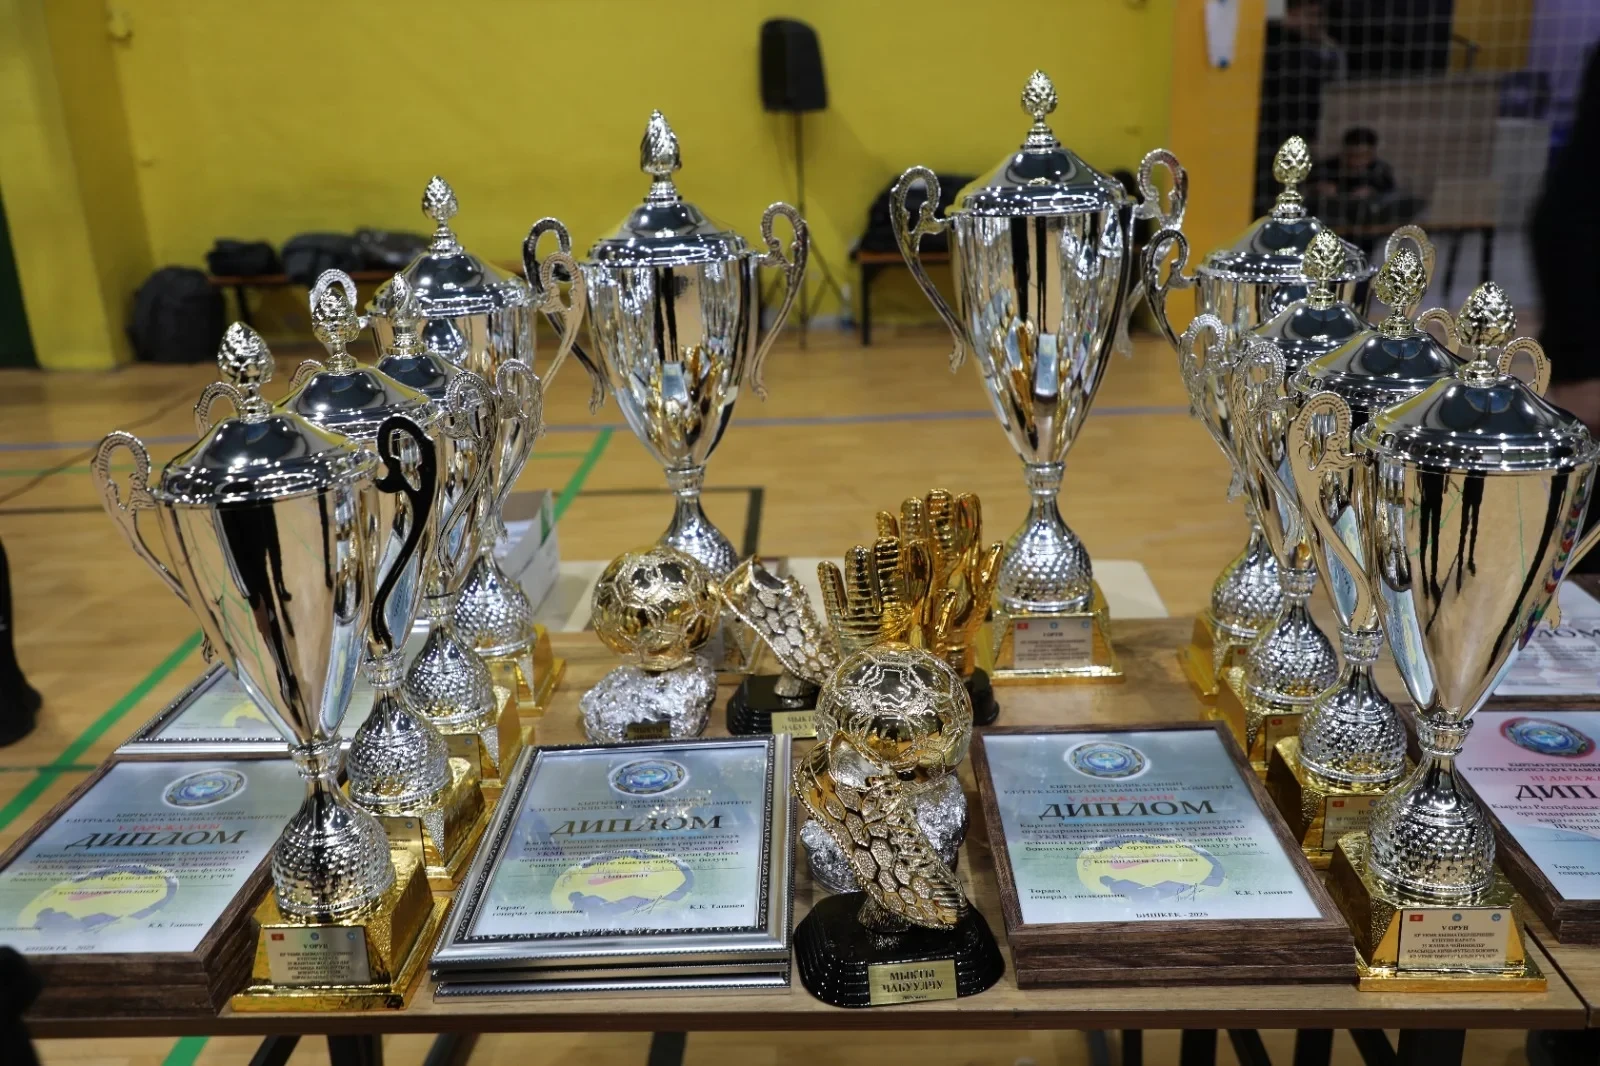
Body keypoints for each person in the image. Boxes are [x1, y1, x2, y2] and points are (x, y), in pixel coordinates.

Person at [1254, 0, 1347, 216]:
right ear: (1290, 13)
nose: (1315, 22)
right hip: (1271, 133)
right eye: (1310, 15)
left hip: (1289, 133)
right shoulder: (1281, 46)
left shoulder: (1309, 49)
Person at [1310, 127, 1421, 231]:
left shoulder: (1380, 170)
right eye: (1352, 155)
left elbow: (1390, 195)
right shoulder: (1326, 168)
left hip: (1367, 226)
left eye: (1364, 155)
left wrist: (1373, 193)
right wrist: (1317, 188)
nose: (1357, 162)